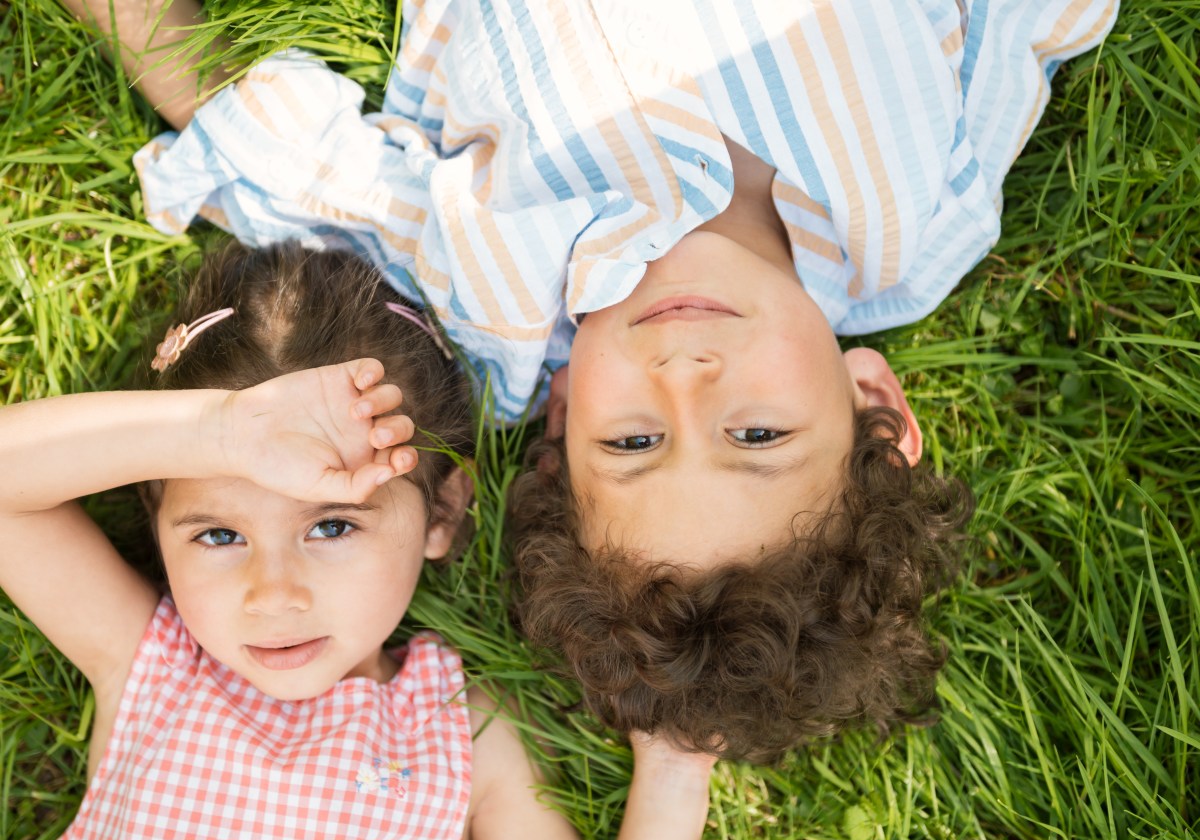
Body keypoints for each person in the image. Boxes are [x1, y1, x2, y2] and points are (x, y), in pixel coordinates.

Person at [64, 0, 1118, 761]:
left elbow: (272, 162)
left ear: (561, 414)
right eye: (758, 436)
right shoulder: (925, 226)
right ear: (874, 403)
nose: (684, 379)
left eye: (630, 443)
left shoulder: (495, 287)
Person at [0, 243, 715, 840]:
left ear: (440, 512)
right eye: (218, 534)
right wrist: (208, 433)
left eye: (332, 524)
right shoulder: (152, 668)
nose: (274, 594)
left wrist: (675, 778)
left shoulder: (465, 733)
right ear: (157, 524)